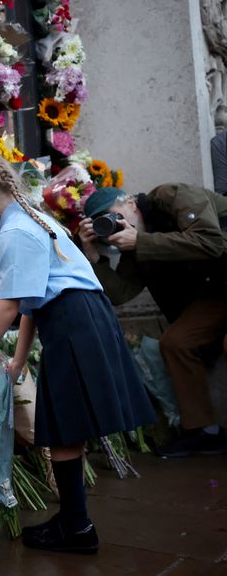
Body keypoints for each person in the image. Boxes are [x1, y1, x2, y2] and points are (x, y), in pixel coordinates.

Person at [0, 151, 155, 555]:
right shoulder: (33, 222)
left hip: (73, 320)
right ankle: (74, 523)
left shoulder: (13, 233)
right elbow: (30, 305)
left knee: (64, 424)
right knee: (64, 424)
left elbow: (9, 306)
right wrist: (19, 361)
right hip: (79, 317)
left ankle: (76, 527)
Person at [78, 183, 227, 457]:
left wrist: (140, 242)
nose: (115, 224)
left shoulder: (173, 196)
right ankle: (206, 432)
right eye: (104, 223)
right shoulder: (131, 243)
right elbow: (121, 293)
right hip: (215, 293)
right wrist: (93, 258)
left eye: (113, 215)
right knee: (176, 343)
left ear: (131, 204)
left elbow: (213, 242)